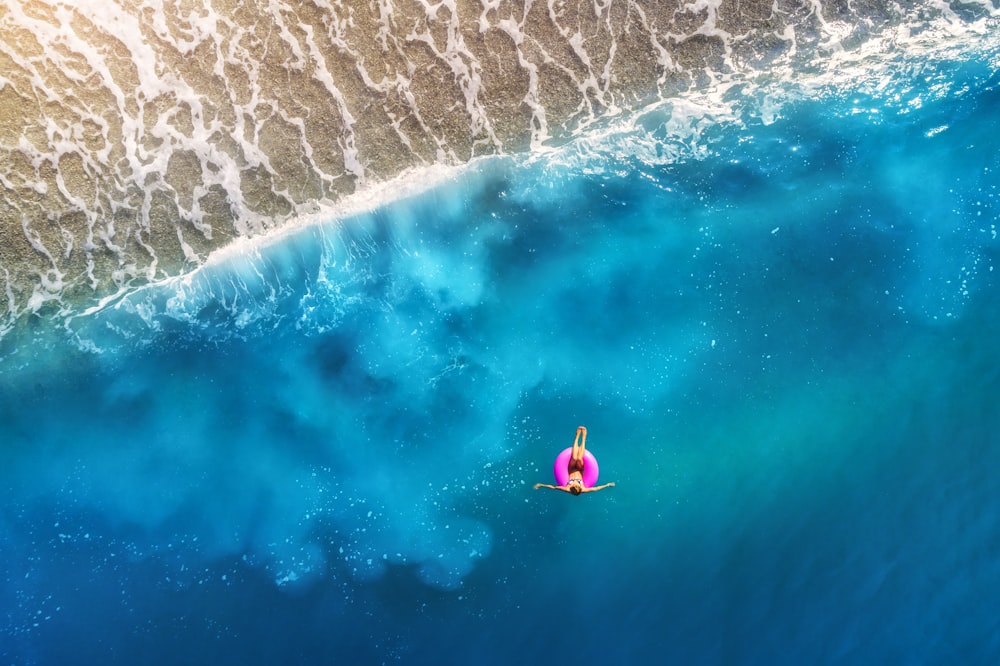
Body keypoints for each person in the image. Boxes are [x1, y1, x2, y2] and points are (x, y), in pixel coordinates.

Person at [534, 426, 615, 495]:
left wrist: (541, 485)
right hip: (580, 468)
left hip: (571, 468)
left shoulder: (567, 488)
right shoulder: (583, 489)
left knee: (574, 458)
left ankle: (576, 437)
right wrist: (608, 485)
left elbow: (554, 487)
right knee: (579, 459)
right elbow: (596, 488)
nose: (575, 484)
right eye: (576, 485)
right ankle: (584, 438)